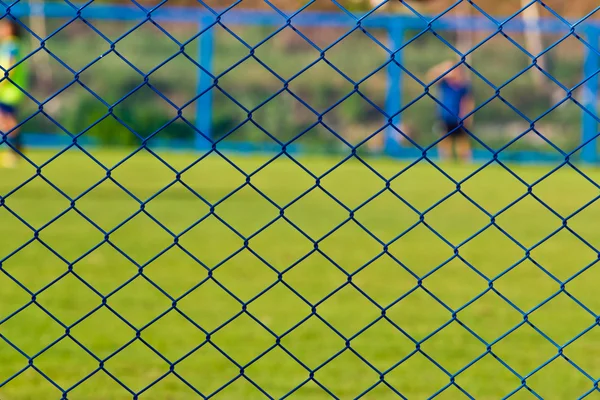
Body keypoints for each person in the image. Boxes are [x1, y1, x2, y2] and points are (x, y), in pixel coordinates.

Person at [427, 61, 475, 162]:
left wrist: (467, 116)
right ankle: (445, 160)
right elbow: (431, 75)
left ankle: (465, 160)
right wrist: (443, 68)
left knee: (462, 140)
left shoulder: (463, 86)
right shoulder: (445, 83)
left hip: (459, 116)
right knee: (445, 139)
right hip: (445, 115)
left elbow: (467, 101)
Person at [0, 17, 28, 168]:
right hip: (7, 90)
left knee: (8, 122)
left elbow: (10, 66)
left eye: (4, 28)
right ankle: (15, 151)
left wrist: (3, 80)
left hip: (8, 91)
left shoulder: (11, 45)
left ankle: (14, 153)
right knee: (7, 121)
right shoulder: (10, 44)